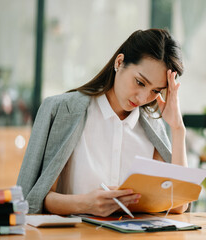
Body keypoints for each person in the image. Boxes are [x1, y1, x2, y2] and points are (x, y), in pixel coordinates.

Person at [17, 28, 188, 216]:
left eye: (155, 91)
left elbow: (178, 205)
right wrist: (85, 204)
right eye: (140, 82)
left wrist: (178, 128)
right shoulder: (63, 111)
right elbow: (36, 198)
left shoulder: (152, 130)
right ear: (120, 62)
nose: (142, 97)